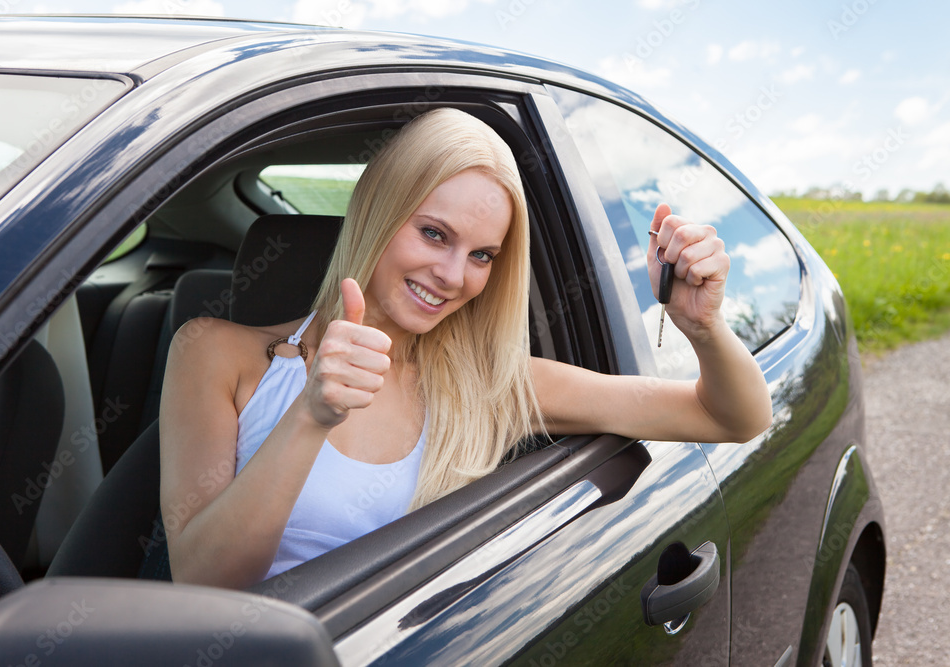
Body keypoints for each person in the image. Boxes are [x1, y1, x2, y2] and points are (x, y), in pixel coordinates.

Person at [159, 108, 772, 589]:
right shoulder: (216, 353)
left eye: (482, 255)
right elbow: (206, 581)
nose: (454, 276)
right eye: (434, 234)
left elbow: (732, 417)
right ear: (376, 211)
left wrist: (702, 328)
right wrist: (310, 416)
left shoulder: (490, 384)